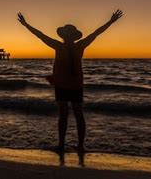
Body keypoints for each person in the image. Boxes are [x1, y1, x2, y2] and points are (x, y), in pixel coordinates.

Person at [18, 9, 123, 153]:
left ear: (68, 36)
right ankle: (71, 145)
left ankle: (73, 145)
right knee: (70, 114)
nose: (66, 36)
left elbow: (96, 33)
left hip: (68, 84)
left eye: (68, 34)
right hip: (69, 84)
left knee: (70, 114)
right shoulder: (74, 45)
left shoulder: (64, 45)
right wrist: (26, 24)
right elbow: (40, 35)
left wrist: (110, 22)